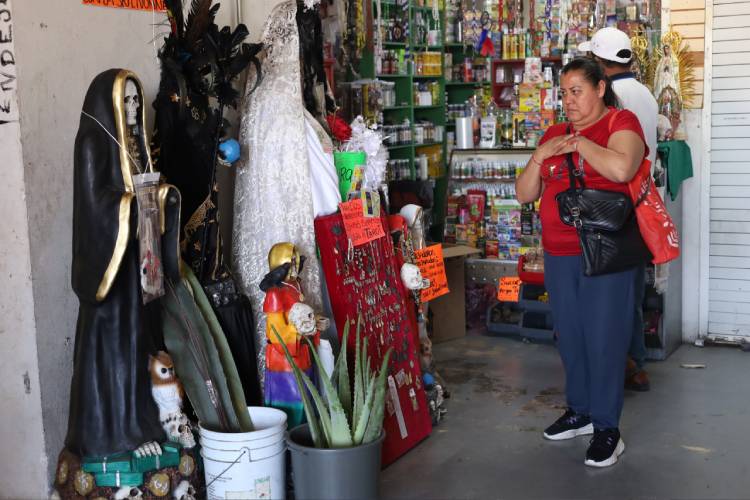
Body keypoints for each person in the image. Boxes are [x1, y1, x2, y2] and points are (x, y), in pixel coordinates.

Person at [515, 58, 649, 468]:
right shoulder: (554, 132)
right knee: (570, 336)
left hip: (608, 253)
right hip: (560, 253)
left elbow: (623, 166)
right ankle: (582, 412)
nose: (568, 100)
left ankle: (608, 428)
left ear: (600, 89)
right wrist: (541, 155)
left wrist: (581, 144)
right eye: (564, 92)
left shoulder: (620, 124)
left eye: (577, 91)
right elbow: (524, 193)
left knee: (605, 339)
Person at [579, 26, 656, 392]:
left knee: (609, 290)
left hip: (610, 202)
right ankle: (635, 363)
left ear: (599, 64)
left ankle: (618, 363)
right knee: (632, 288)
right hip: (640, 199)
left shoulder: (612, 97)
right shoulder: (646, 94)